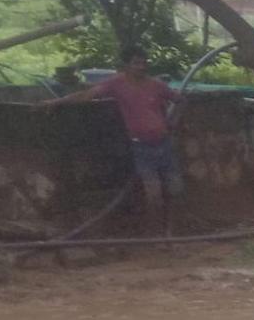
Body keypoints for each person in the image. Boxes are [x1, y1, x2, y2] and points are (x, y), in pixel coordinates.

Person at [37, 47, 184, 234]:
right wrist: (55, 102)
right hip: (142, 146)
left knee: (176, 190)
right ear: (126, 65)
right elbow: (86, 95)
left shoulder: (156, 85)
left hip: (163, 144)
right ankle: (155, 234)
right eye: (136, 63)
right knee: (153, 194)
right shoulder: (116, 84)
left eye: (144, 63)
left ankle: (171, 232)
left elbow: (180, 99)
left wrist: (172, 123)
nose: (141, 67)